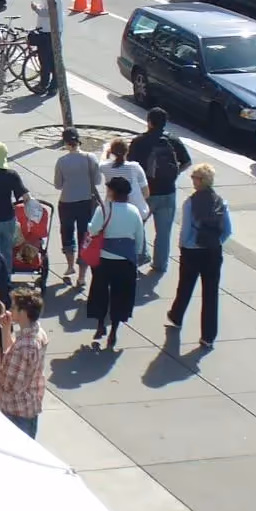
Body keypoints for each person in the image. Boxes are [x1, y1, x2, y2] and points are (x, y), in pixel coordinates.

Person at [166, 164, 231, 346]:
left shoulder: (190, 203)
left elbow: (186, 230)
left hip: (192, 252)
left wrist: (183, 246)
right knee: (211, 293)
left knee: (185, 286)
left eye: (194, 177)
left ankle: (177, 316)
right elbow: (227, 230)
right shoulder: (220, 202)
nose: (192, 179)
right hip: (213, 252)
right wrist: (215, 243)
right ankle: (208, 336)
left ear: (200, 180)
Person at [125, 107, 189, 281]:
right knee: (163, 232)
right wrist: (174, 175)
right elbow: (187, 161)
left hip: (146, 193)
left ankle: (142, 254)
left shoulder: (139, 141)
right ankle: (160, 264)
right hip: (168, 192)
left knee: (137, 226)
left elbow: (130, 165)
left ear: (149, 122)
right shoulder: (173, 140)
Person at [85, 175, 142, 351]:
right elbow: (139, 238)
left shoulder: (104, 209)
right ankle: (114, 330)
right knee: (121, 296)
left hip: (104, 260)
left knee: (100, 292)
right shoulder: (134, 211)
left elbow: (92, 230)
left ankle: (100, 324)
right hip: (125, 262)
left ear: (112, 192)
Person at [0, 288, 48, 437]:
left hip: (17, 411)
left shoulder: (26, 345)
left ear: (23, 312)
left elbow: (13, 384)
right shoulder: (36, 333)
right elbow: (10, 351)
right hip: (27, 406)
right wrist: (5, 328)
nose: (10, 310)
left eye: (13, 307)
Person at [51, 128, 104, 289]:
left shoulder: (62, 161)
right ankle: (81, 277)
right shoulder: (91, 158)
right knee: (84, 237)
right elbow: (97, 180)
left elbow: (58, 185)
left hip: (66, 202)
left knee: (67, 233)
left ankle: (70, 265)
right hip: (86, 202)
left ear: (65, 143)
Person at [98, 137, 150, 263]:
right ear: (127, 151)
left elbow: (101, 162)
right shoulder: (135, 167)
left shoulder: (106, 167)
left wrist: (106, 151)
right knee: (137, 233)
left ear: (112, 152)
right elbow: (146, 192)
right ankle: (140, 256)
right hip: (135, 208)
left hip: (114, 209)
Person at [30, 0, 64, 95]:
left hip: (48, 31)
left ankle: (44, 84)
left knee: (45, 60)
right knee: (53, 60)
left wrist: (36, 8)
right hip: (50, 30)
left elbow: (49, 12)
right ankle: (53, 85)